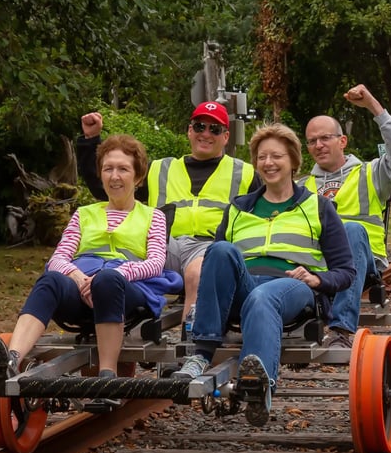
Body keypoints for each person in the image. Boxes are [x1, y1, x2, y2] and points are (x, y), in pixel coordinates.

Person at [176, 124, 355, 426]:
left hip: (292, 286)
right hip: (244, 285)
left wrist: (318, 280)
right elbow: (220, 265)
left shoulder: (318, 206)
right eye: (262, 157)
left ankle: (259, 386)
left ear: (293, 162)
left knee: (264, 296)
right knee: (218, 251)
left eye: (277, 157)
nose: (268, 163)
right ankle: (201, 353)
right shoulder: (238, 207)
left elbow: (346, 271)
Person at [0, 134, 181, 383]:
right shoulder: (83, 214)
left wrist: (116, 274)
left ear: (137, 177)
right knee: (50, 280)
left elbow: (155, 262)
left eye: (123, 169)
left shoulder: (154, 217)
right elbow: (58, 258)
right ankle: (11, 360)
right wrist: (77, 277)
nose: (114, 176)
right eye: (108, 169)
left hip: (128, 289)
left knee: (106, 280)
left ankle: (107, 375)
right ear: (100, 174)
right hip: (82, 287)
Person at [77, 102, 258, 323]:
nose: (206, 134)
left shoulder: (245, 173)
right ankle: (120, 337)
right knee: (118, 261)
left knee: (197, 273)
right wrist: (91, 141)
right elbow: (106, 186)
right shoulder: (159, 169)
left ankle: (191, 345)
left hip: (208, 248)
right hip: (162, 247)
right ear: (190, 131)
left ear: (226, 136)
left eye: (215, 129)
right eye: (200, 126)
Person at [300, 84, 391, 348]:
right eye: (312, 141)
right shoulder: (301, 187)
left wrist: (374, 107)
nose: (318, 145)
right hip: (317, 264)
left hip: (362, 262)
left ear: (342, 141)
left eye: (325, 138)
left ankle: (340, 329)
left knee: (350, 229)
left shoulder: (371, 173)